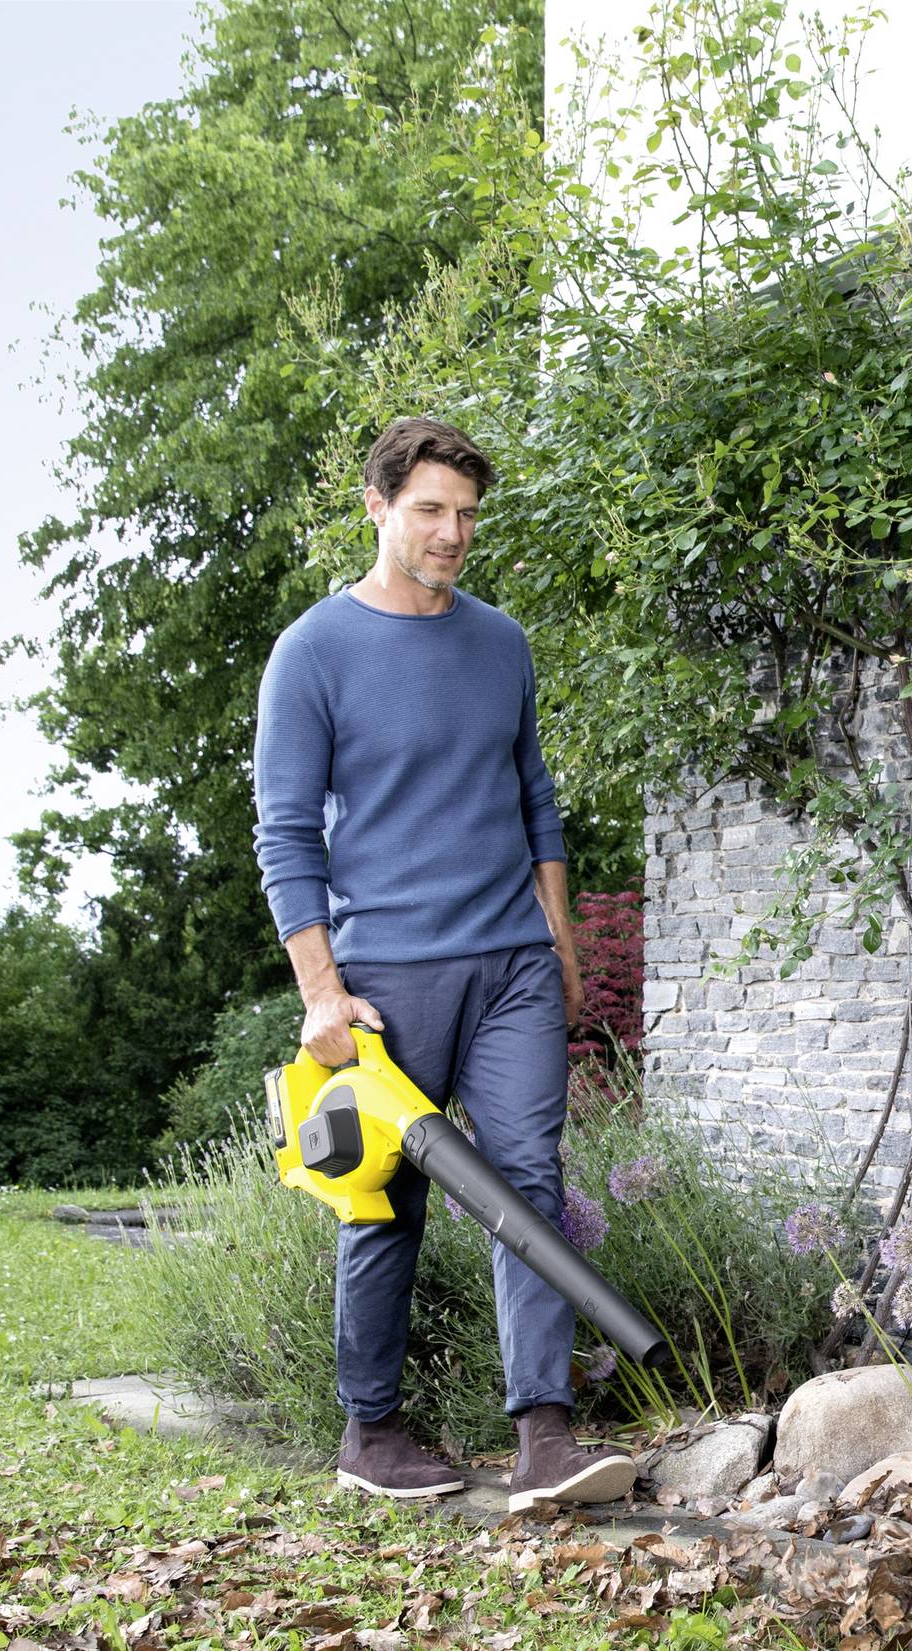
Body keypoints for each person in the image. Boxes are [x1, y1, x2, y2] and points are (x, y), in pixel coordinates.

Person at [252, 414, 638, 1510]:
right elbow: (285, 835)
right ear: (377, 507)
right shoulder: (314, 651)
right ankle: (370, 1432)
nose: (452, 534)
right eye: (429, 510)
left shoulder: (500, 642)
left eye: (467, 514)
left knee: (529, 1183)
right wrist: (321, 993)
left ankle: (544, 1436)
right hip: (387, 978)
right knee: (387, 1199)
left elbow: (535, 800)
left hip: (512, 961)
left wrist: (561, 945)